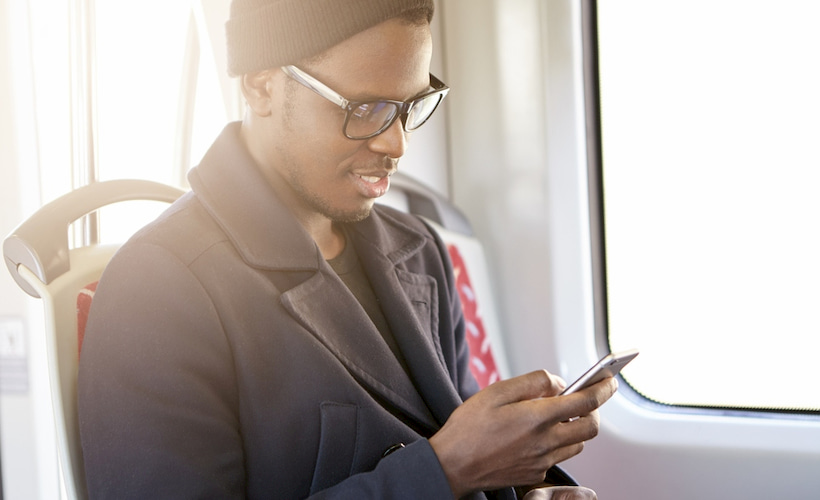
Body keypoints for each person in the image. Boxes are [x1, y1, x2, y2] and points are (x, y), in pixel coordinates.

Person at [77, 0, 618, 498]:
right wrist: (448, 469)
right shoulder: (159, 287)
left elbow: (458, 441)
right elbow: (452, 459)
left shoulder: (419, 249)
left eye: (411, 105)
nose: (396, 143)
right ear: (262, 86)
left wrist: (525, 489)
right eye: (365, 108)